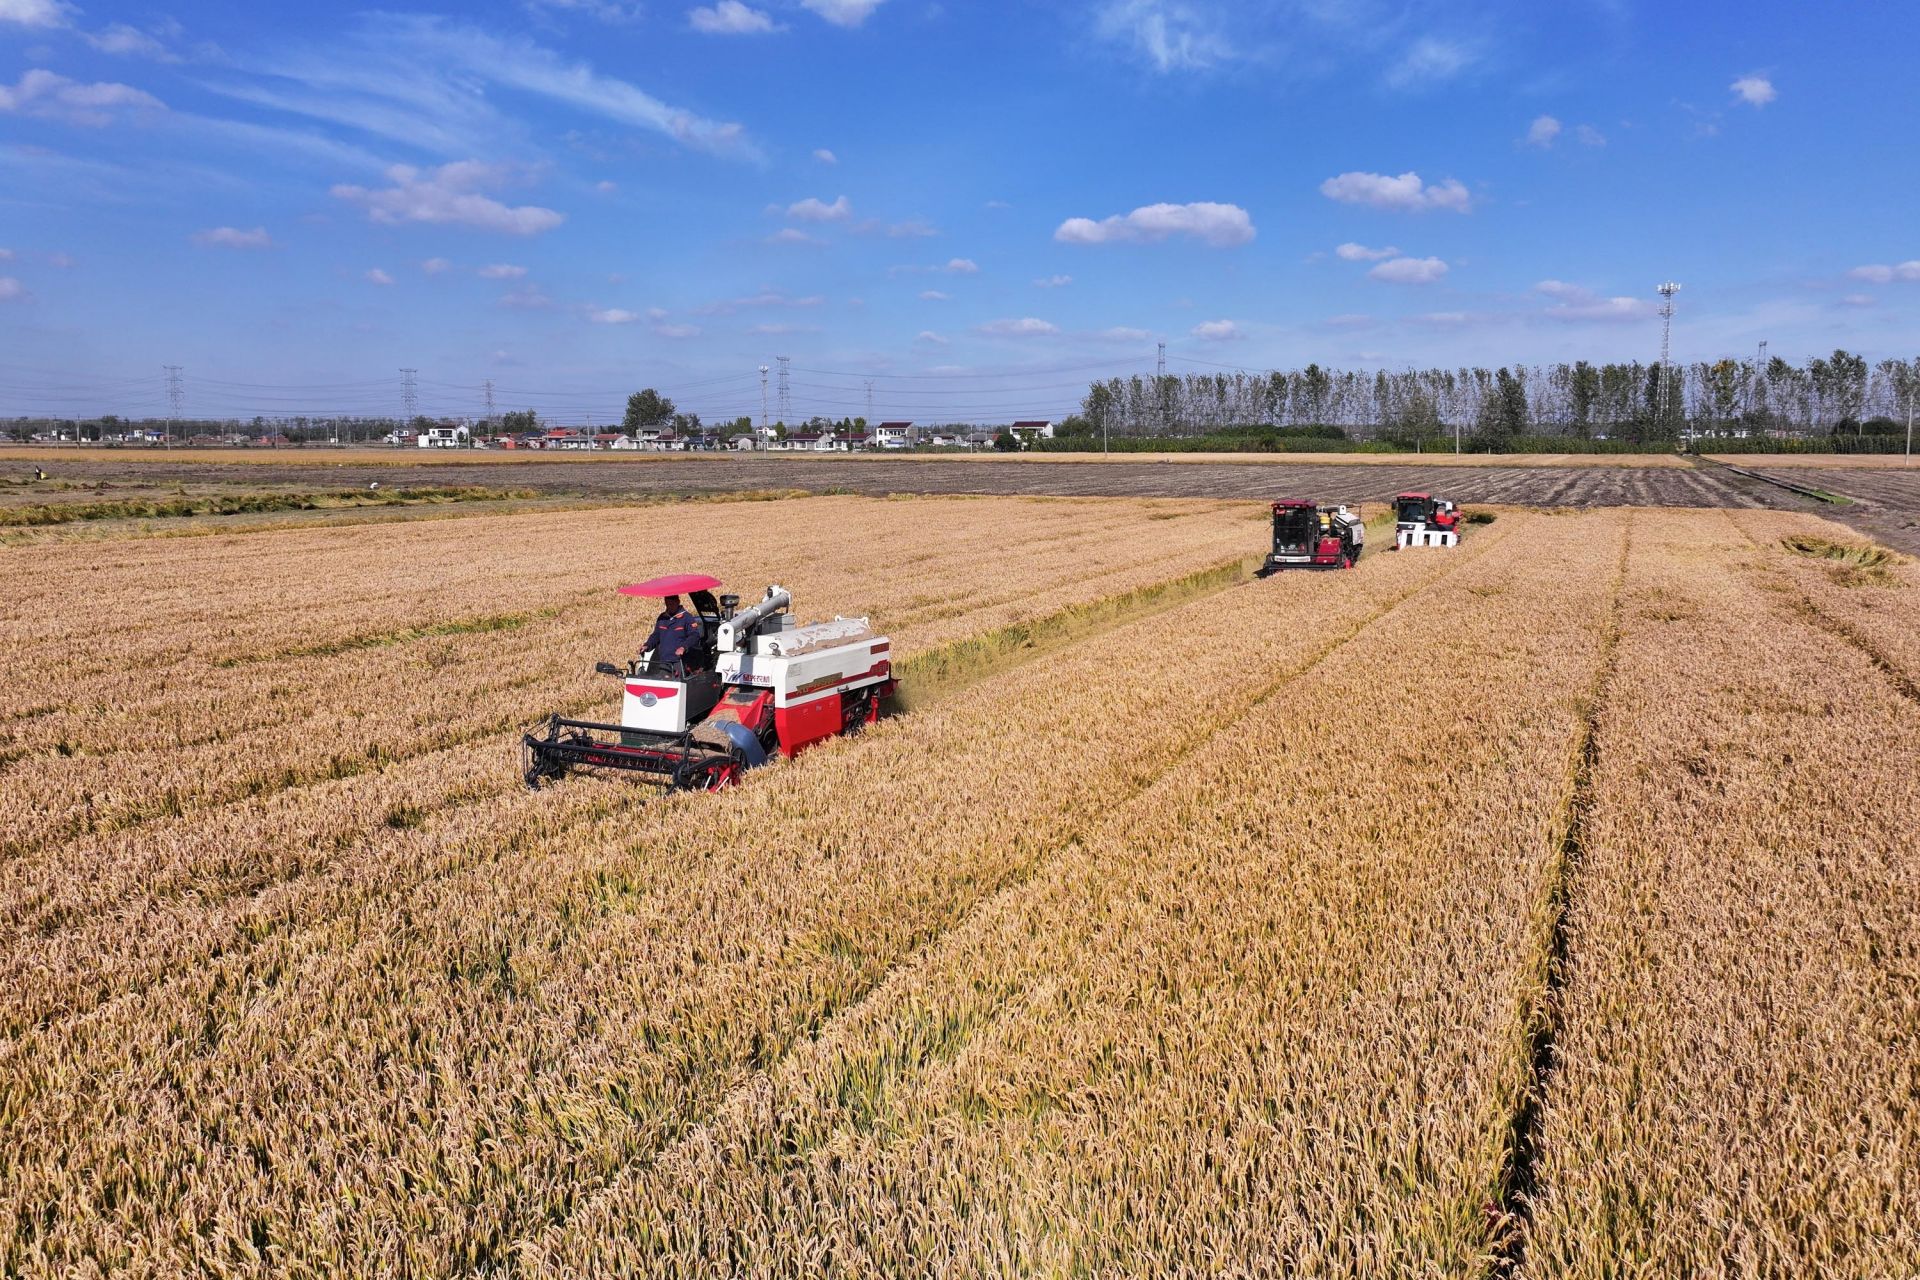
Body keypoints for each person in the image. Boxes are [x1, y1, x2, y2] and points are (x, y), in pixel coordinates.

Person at [643, 593, 704, 673]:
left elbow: (694, 636)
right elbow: (656, 635)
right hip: (664, 660)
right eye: (667, 604)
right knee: (665, 683)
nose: (669, 606)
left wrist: (683, 647)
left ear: (678, 602)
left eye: (671, 604)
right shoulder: (662, 618)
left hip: (681, 661)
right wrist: (647, 645)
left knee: (678, 684)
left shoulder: (687, 618)